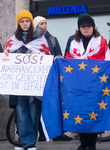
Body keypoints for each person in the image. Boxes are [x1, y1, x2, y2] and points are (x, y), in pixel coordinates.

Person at [4, 10, 49, 150]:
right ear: (19, 23)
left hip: (33, 84)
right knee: (21, 112)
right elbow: (8, 58)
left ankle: (31, 142)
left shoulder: (40, 40)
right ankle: (25, 143)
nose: (24, 23)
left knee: (33, 112)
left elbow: (45, 55)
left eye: (27, 21)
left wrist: (37, 55)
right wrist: (6, 54)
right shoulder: (12, 41)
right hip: (18, 84)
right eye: (22, 21)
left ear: (31, 23)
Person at [64, 13, 109, 150]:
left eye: (89, 26)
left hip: (96, 85)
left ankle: (91, 143)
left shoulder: (101, 41)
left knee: (93, 112)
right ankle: (84, 143)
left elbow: (107, 60)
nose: (86, 28)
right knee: (81, 113)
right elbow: (68, 59)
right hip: (79, 85)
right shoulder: (73, 42)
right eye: (83, 26)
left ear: (93, 27)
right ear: (79, 28)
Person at [33, 16, 72, 141]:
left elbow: (59, 54)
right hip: (36, 76)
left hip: (51, 75)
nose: (44, 26)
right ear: (36, 26)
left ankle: (56, 133)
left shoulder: (52, 39)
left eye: (45, 23)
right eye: (41, 23)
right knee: (38, 105)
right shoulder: (30, 40)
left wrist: (58, 59)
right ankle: (42, 133)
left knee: (53, 102)